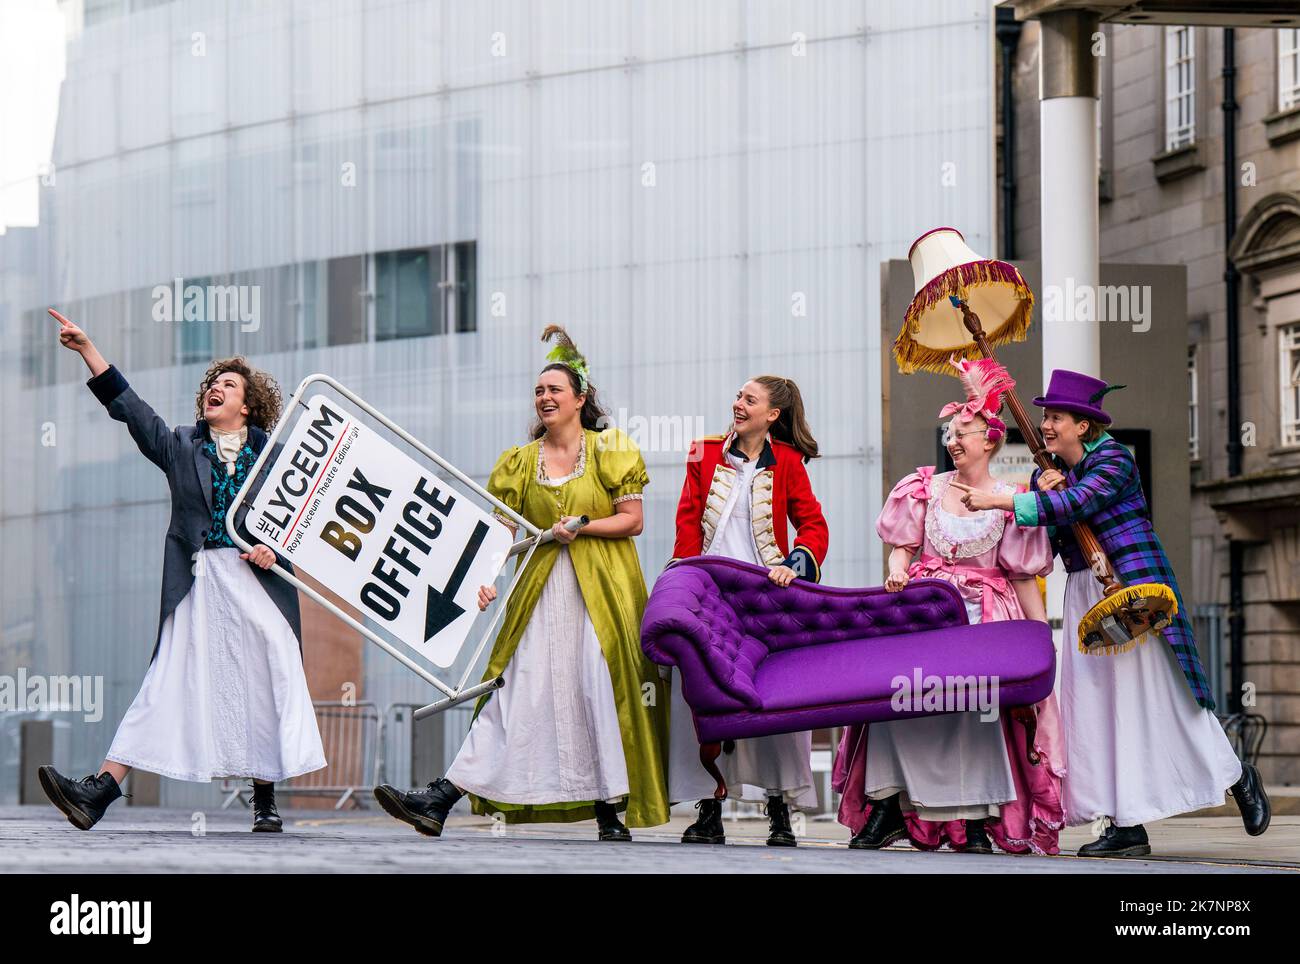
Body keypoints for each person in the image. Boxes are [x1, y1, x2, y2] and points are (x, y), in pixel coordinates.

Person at [372, 326, 669, 841]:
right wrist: (485, 582)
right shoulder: (518, 462)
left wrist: (577, 526)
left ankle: (610, 813)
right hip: (538, 592)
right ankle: (440, 799)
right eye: (539, 391)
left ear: (580, 399)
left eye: (555, 389)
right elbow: (498, 534)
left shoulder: (609, 448)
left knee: (599, 691)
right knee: (515, 691)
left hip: (600, 593)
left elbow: (633, 520)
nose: (545, 397)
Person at [959, 369, 1270, 857]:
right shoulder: (1054, 473)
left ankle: (1235, 774)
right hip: (1086, 587)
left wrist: (1005, 499)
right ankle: (1124, 824)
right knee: (1097, 704)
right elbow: (1059, 519)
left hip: (1131, 588)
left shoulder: (1114, 461)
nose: (1045, 424)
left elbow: (1081, 502)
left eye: (1055, 417)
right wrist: (1045, 486)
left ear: (1082, 426)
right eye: (1044, 416)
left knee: (1156, 691)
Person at [38, 308, 324, 832]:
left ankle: (265, 800)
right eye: (213, 382)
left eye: (229, 384)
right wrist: (88, 349)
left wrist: (274, 553)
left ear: (247, 404)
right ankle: (100, 789)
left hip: (257, 582)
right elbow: (131, 410)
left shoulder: (277, 458)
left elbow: (304, 528)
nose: (215, 387)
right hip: (199, 581)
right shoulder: (179, 446)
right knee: (165, 678)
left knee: (266, 678)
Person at [834, 357, 1063, 854]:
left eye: (965, 432)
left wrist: (1039, 638)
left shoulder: (1011, 499)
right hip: (925, 609)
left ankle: (977, 820)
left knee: (975, 715)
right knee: (902, 701)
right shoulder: (924, 488)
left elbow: (1023, 577)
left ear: (991, 440)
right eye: (951, 433)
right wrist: (897, 567)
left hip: (984, 616)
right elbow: (904, 544)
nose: (954, 440)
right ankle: (888, 806)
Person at [667, 376, 829, 847]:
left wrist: (795, 564)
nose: (738, 404)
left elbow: (814, 524)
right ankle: (709, 806)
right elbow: (687, 520)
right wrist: (684, 577)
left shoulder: (791, 464)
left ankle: (779, 810)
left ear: (772, 414)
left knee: (772, 698)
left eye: (749, 399)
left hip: (765, 601)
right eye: (738, 396)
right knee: (703, 696)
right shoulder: (703, 451)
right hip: (711, 596)